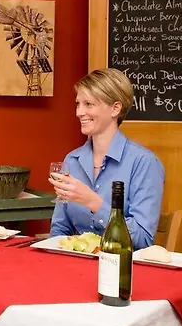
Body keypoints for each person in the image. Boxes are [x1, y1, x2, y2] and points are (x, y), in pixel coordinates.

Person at [49, 68, 164, 250]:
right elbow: (59, 230)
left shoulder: (144, 163)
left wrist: (93, 202)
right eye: (78, 104)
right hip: (76, 263)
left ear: (115, 108)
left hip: (122, 264)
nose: (79, 112)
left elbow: (142, 239)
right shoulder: (72, 160)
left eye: (89, 104)